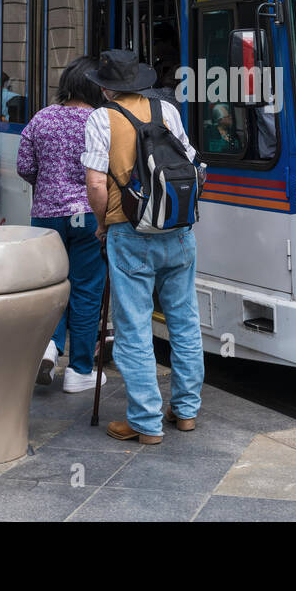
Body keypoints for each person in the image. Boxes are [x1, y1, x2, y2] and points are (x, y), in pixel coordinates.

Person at [82, 50, 202, 443]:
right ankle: (185, 411)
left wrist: (102, 224)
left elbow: (96, 184)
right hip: (178, 229)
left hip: (130, 231)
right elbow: (194, 164)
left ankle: (145, 422)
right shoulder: (168, 110)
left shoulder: (102, 118)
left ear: (105, 88)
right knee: (184, 321)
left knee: (134, 326)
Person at [16, 56, 108, 392]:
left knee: (51, 287)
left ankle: (49, 348)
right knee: (85, 291)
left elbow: (24, 166)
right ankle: (80, 372)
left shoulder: (42, 118)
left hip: (46, 216)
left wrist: (47, 186)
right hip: (88, 216)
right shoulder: (102, 121)